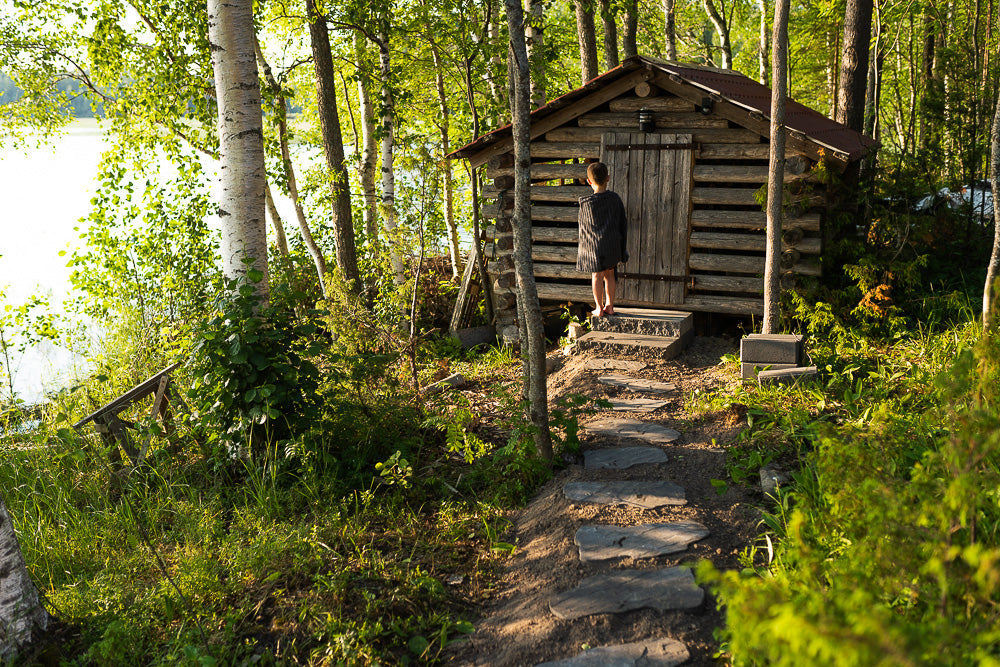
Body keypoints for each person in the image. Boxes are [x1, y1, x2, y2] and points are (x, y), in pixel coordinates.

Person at [576, 161, 628, 317]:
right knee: (610, 275)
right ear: (608, 178)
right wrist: (621, 248)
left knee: (597, 276)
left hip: (594, 248)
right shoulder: (615, 199)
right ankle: (610, 306)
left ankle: (599, 308)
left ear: (589, 181)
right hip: (612, 244)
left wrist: (584, 254)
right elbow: (622, 224)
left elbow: (583, 230)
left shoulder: (586, 204)